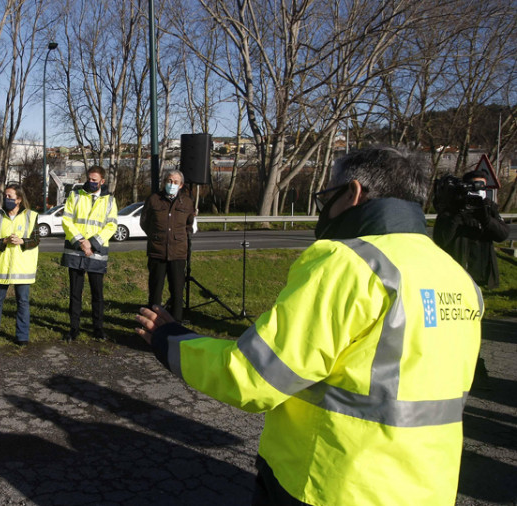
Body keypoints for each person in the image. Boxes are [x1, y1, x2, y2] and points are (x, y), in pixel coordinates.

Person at [135, 147, 483, 505]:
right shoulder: (456, 276)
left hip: (332, 482)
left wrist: (170, 340)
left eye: (327, 195)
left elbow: (252, 377)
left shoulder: (348, 263)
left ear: (354, 193)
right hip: (428, 488)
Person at [61, 166, 118, 341]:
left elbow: (111, 225)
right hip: (76, 251)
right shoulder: (75, 195)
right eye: (89, 179)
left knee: (97, 294)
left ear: (102, 181)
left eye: (95, 180)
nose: (91, 182)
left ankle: (98, 328)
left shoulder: (109, 200)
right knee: (75, 293)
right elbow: (66, 220)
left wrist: (92, 244)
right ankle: (74, 329)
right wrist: (81, 242)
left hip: (96, 251)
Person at [433, 169, 510, 290]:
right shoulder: (452, 209)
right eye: (475, 186)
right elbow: (441, 240)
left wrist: (487, 220)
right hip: (458, 273)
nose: (479, 191)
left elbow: (502, 235)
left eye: (482, 187)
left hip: (483, 275)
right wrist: (458, 214)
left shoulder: (488, 207)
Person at [0, 184, 40, 346]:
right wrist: (4, 241)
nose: (6, 199)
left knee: (22, 302)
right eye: (5, 196)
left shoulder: (31, 216)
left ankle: (22, 336)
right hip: (2, 267)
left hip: (22, 268)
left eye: (10, 196)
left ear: (19, 199)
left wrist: (22, 241)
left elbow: (36, 239)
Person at [140, 169, 196, 321]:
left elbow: (189, 225)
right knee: (155, 291)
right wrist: (156, 236)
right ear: (165, 182)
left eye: (175, 182)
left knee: (177, 292)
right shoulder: (153, 199)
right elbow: (144, 222)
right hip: (157, 252)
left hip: (178, 254)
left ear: (181, 185)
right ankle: (152, 325)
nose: (172, 184)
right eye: (169, 181)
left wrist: (179, 238)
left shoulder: (187, 202)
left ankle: (175, 325)